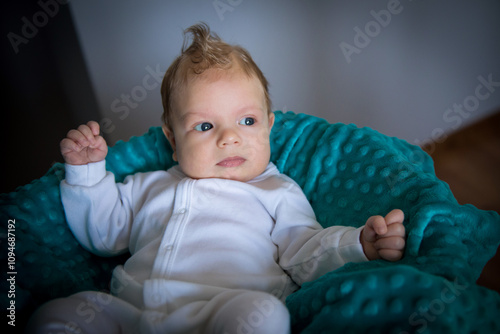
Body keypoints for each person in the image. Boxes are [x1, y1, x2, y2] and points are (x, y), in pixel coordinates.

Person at [27, 23, 406, 334]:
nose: (229, 137)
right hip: (132, 313)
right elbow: (103, 232)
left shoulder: (276, 191)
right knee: (56, 315)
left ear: (269, 128)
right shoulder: (150, 185)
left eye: (247, 121)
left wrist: (358, 243)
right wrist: (88, 172)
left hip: (221, 312)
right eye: (205, 125)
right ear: (173, 140)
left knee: (265, 316)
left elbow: (305, 249)